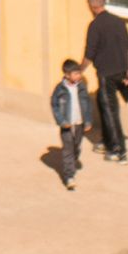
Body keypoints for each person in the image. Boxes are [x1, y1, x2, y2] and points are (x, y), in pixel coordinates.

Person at [78, 0, 128, 164]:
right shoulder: (118, 22)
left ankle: (118, 150)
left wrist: (79, 71)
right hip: (121, 72)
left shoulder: (95, 25)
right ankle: (107, 140)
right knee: (106, 107)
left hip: (106, 74)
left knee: (110, 111)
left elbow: (90, 54)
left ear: (92, 5)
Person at [49, 58, 94, 191]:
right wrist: (61, 121)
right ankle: (69, 176)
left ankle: (71, 162)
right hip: (67, 124)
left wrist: (88, 120)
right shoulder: (60, 88)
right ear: (67, 75)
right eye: (75, 74)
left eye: (79, 73)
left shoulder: (81, 87)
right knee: (68, 148)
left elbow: (87, 103)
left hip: (79, 122)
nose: (79, 76)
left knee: (76, 146)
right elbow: (54, 105)